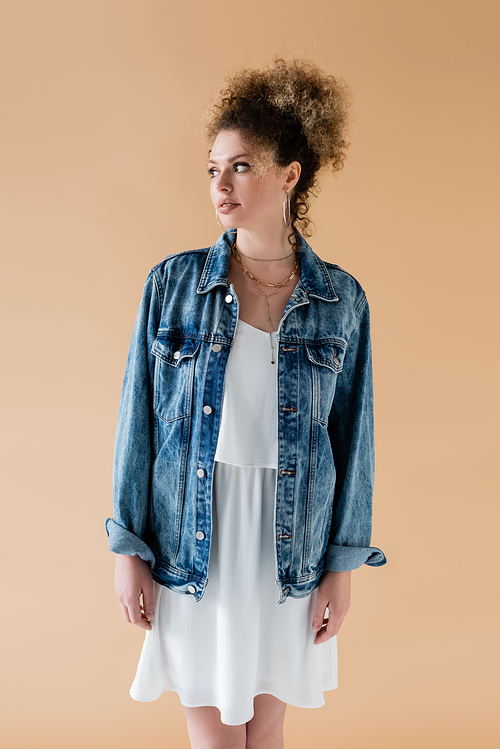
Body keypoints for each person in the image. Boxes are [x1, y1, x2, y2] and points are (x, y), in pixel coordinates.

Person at [106, 57, 386, 749]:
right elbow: (136, 422)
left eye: (240, 166)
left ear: (290, 174)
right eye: (213, 168)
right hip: (197, 532)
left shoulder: (341, 300)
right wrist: (128, 549)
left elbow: (356, 442)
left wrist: (342, 568)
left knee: (266, 725)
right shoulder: (172, 286)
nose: (219, 184)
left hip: (290, 539)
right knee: (212, 726)